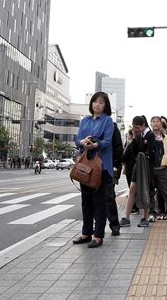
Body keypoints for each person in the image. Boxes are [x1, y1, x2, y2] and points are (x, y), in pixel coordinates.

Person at [72, 91, 115, 248]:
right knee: (86, 201)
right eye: (95, 101)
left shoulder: (108, 121)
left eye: (101, 102)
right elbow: (77, 141)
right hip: (85, 166)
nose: (97, 104)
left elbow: (107, 141)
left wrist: (95, 144)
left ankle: (98, 235)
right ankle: (86, 233)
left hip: (100, 166)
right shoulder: (85, 121)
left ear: (105, 106)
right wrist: (82, 141)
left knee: (99, 202)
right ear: (91, 104)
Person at [120, 116, 155, 228]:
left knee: (145, 190)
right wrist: (135, 138)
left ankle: (145, 217)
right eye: (134, 127)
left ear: (143, 125)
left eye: (137, 127)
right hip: (137, 166)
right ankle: (126, 217)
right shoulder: (138, 135)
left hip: (146, 167)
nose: (135, 129)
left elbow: (149, 152)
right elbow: (134, 150)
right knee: (132, 189)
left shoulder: (150, 135)